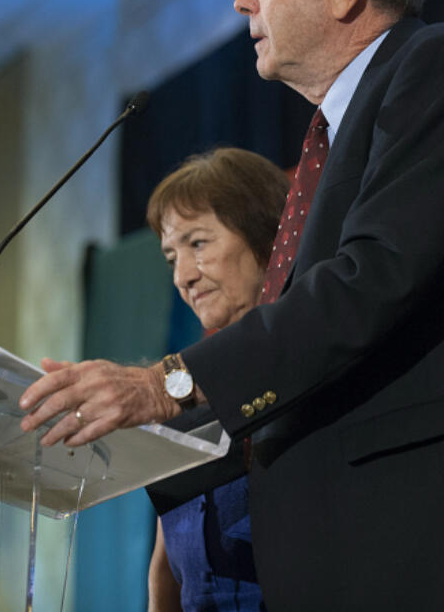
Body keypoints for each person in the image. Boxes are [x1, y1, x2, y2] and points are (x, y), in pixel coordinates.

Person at [21, 0, 444, 611]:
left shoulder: (435, 69)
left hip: (443, 553)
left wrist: (163, 385)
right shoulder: (329, 141)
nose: (241, 1)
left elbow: (367, 284)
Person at [144, 147, 288, 611]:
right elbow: (167, 563)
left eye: (198, 244)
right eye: (171, 258)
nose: (183, 276)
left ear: (266, 235)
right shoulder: (183, 388)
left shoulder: (314, 369)